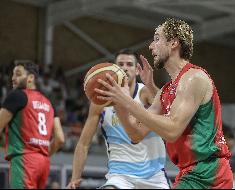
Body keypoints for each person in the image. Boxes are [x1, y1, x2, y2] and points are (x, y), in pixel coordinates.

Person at [95, 18, 233, 189]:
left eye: (157, 39)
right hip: (191, 173)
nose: (151, 46)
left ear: (174, 43)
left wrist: (128, 102)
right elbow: (136, 134)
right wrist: (119, 102)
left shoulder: (194, 78)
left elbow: (173, 129)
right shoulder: (166, 91)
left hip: (208, 173)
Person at [67, 49, 170, 189]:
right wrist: (75, 178)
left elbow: (166, 105)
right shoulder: (100, 102)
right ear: (113, 68)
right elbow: (83, 144)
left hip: (153, 176)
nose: (125, 67)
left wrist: (151, 85)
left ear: (137, 70)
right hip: (120, 175)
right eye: (120, 64)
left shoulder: (145, 93)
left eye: (129, 64)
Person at [0, 61, 65, 189]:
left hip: (24, 160)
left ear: (30, 78)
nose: (13, 78)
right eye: (13, 74)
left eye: (18, 74)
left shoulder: (17, 95)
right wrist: (41, 154)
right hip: (43, 162)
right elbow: (60, 139)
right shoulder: (49, 102)